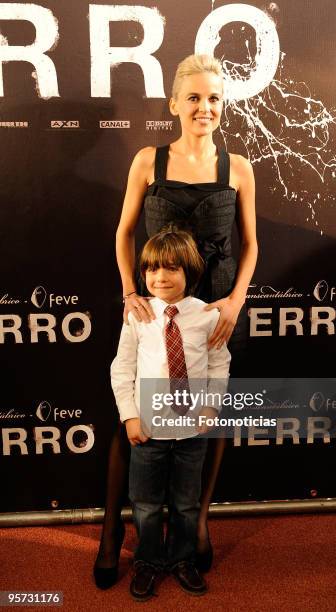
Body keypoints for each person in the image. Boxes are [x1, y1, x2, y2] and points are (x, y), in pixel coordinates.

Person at [94, 53, 258, 589]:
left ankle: (198, 521)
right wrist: (127, 295)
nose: (204, 107)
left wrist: (234, 302)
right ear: (174, 104)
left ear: (222, 105)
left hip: (212, 311)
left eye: (214, 98)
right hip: (155, 304)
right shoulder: (148, 160)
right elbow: (123, 234)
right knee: (137, 419)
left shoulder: (238, 167)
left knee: (210, 421)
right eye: (194, 98)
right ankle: (113, 531)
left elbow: (251, 245)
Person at [111, 227, 231, 600]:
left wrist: (211, 406)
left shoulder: (207, 315)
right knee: (145, 504)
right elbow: (122, 368)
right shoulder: (138, 316)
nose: (160, 277)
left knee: (186, 503)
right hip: (147, 431)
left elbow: (218, 365)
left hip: (191, 432)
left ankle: (182, 559)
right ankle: (148, 560)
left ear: (189, 272)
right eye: (152, 270)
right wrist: (130, 415)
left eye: (171, 269)